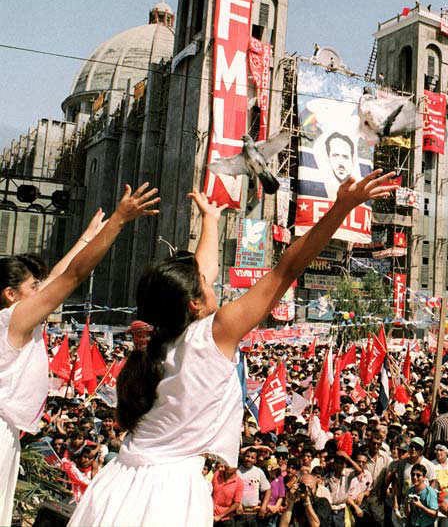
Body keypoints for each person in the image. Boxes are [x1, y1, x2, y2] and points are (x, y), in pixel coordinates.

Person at [69, 172, 396, 526]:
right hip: (166, 495)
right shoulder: (212, 336)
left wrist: (211, 220)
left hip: (116, 485)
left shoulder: (155, 344)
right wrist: (340, 208)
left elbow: (202, 270)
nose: (210, 280)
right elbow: (286, 269)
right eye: (203, 283)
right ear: (193, 303)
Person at [0, 186, 156, 525]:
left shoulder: (14, 317)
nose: (41, 292)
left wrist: (88, 236)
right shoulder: (11, 320)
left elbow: (58, 274)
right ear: (11, 295)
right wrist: (118, 221)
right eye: (33, 288)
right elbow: (71, 277)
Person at [238, 448, 272, 526]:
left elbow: (268, 489)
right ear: (243, 457)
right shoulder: (236, 472)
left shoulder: (259, 472)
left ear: (256, 460)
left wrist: (263, 507)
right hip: (239, 513)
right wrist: (237, 504)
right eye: (247, 456)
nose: (249, 459)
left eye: (252, 458)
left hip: (254, 514)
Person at [405, 463, 439, 527]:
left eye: (418, 475)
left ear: (424, 478)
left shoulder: (430, 492)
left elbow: (434, 513)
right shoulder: (410, 491)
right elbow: (408, 514)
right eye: (413, 475)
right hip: (413, 523)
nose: (414, 477)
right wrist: (407, 503)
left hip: (426, 525)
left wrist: (421, 506)